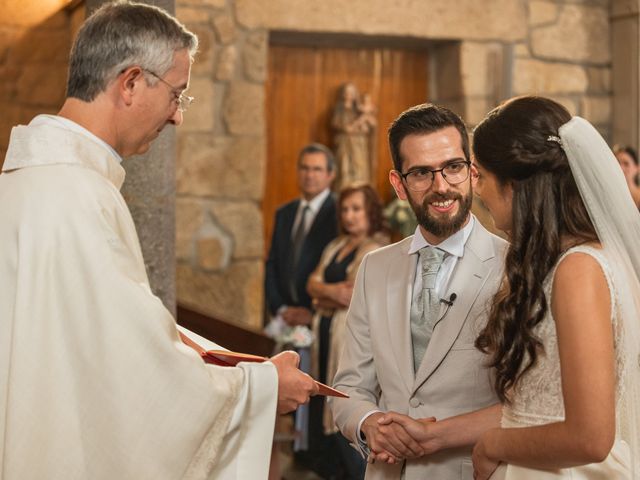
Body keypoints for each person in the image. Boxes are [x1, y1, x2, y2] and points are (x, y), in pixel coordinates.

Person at [0, 3, 317, 479]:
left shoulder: (27, 182)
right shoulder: (77, 197)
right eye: (177, 95)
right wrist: (263, 387)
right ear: (130, 83)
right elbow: (135, 372)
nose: (178, 117)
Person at [330, 103, 508, 479]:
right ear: (399, 184)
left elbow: (528, 405)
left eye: (453, 167)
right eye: (422, 173)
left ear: (472, 172)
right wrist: (369, 423)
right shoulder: (374, 268)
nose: (441, 186)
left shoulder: (514, 266)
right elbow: (349, 387)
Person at [469, 96, 640, 478]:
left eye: (480, 174)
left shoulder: (579, 270)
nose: (476, 190)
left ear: (512, 185)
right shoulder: (562, 263)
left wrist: (491, 444)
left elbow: (591, 437)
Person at [305, 183, 387, 479]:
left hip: (344, 334)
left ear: (370, 212)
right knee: (321, 398)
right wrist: (325, 293)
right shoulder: (335, 245)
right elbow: (310, 285)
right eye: (345, 210)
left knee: (342, 397)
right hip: (324, 331)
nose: (350, 216)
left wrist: (320, 295)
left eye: (357, 209)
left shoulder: (375, 250)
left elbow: (349, 295)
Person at [264, 142, 338, 460]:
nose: (310, 175)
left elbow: (334, 269)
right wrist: (281, 308)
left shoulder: (338, 213)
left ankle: (316, 457)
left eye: (317, 169)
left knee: (314, 388)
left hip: (317, 318)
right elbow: (272, 267)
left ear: (330, 175)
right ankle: (294, 450)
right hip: (286, 319)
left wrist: (309, 312)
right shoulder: (285, 213)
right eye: (305, 168)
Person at [332, 82, 376, 188]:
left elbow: (371, 126)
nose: (349, 95)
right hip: (345, 143)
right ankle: (343, 190)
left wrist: (366, 117)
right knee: (344, 167)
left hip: (358, 145)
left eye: (351, 93)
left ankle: (360, 189)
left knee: (359, 168)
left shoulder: (358, 110)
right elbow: (345, 127)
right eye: (347, 92)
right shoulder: (340, 109)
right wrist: (360, 121)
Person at [614, 144, 640, 209]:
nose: (620, 168)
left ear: (637, 168)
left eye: (626, 164)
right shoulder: (613, 196)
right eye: (617, 163)